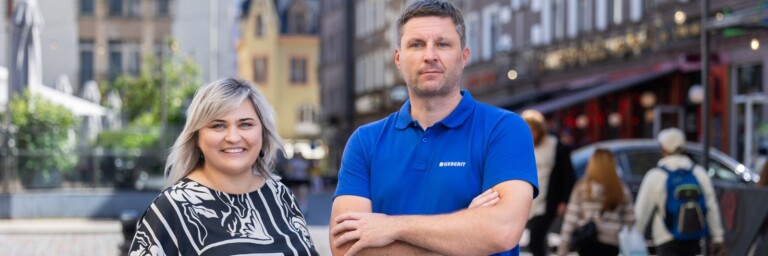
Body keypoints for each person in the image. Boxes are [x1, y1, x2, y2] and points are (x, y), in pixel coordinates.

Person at [329, 1, 539, 255]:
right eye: (416, 44)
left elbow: (502, 231)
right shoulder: (365, 141)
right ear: (398, 58)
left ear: (463, 57)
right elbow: (346, 246)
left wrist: (391, 227)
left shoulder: (504, 129)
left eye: (442, 44)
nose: (430, 55)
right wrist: (464, 235)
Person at [128, 78, 318, 256]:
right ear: (196, 138)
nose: (233, 137)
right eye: (218, 126)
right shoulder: (173, 207)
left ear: (263, 133)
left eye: (245, 124)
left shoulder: (280, 196)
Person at [634, 127, 724, 256]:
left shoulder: (656, 176)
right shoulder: (699, 173)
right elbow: (711, 206)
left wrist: (634, 239)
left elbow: (641, 211)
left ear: (663, 149)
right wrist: (718, 237)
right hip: (693, 236)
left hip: (664, 238)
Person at [557, 149, 635, 255]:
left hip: (588, 241)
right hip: (612, 243)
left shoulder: (582, 187)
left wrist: (562, 250)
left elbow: (570, 220)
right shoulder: (621, 189)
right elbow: (630, 220)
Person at [520, 109, 577, 256]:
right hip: (529, 202)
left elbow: (568, 177)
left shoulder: (556, 146)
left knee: (535, 241)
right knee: (539, 240)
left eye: (532, 130)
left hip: (548, 201)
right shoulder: (524, 146)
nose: (530, 134)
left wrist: (564, 201)